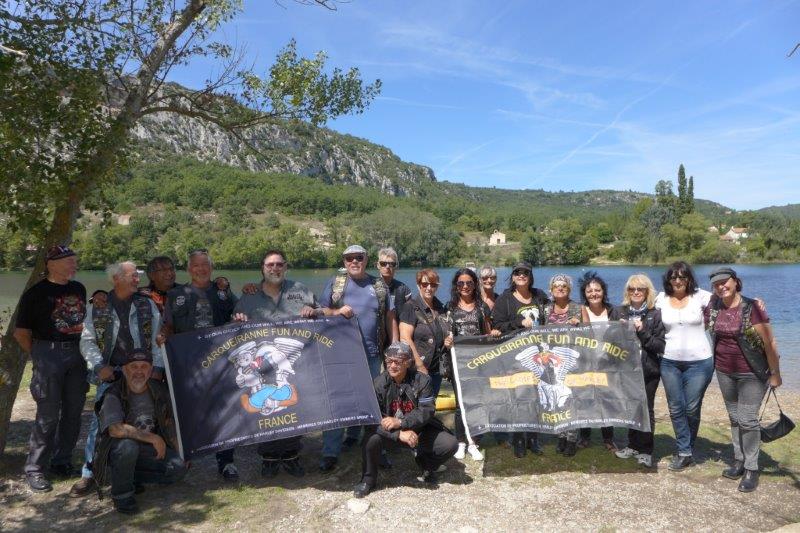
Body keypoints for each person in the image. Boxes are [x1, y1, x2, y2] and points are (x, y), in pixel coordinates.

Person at [71, 261, 163, 497]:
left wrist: (157, 367)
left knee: (143, 420)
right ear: (116, 279)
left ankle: (134, 472)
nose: (137, 280)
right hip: (112, 373)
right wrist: (99, 366)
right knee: (100, 423)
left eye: (138, 276)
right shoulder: (98, 306)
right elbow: (87, 341)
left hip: (141, 373)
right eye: (133, 276)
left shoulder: (146, 303)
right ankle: (89, 472)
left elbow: (157, 338)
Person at [232, 249, 320, 478]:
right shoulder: (249, 296)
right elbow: (233, 328)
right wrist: (237, 319)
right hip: (261, 365)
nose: (275, 268)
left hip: (292, 362)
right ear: (262, 269)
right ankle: (268, 458)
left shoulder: (300, 290)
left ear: (285, 267)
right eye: (270, 265)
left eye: (279, 264)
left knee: (292, 408)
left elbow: (322, 313)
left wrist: (314, 310)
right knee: (265, 412)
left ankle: (292, 456)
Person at [318, 244, 399, 472]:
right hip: (340, 355)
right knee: (338, 402)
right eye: (349, 258)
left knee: (373, 403)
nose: (354, 261)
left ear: (366, 259)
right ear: (344, 261)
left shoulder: (379, 286)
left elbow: (390, 317)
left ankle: (376, 448)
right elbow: (320, 311)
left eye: (359, 257)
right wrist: (336, 312)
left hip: (372, 356)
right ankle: (330, 452)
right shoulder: (336, 284)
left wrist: (394, 346)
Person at [14, 245, 88, 492]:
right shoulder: (35, 293)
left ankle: (62, 461)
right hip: (48, 354)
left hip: (77, 353)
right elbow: (21, 333)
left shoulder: (78, 288)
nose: (74, 265)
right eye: (69, 261)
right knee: (47, 414)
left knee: (73, 411)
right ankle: (35, 469)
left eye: (75, 260)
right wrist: (39, 355)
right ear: (52, 264)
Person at [160, 249, 239, 480]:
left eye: (205, 265)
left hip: (221, 363)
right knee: (189, 410)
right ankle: (186, 456)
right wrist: (163, 334)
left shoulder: (223, 292)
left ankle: (226, 461)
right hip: (189, 364)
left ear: (211, 268)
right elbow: (168, 325)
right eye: (195, 265)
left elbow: (240, 314)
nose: (201, 269)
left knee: (224, 410)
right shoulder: (175, 295)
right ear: (188, 269)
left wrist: (242, 308)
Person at [705, 267, 782, 492]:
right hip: (724, 371)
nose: (721, 287)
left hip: (752, 373)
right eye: (716, 284)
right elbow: (685, 299)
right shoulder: (713, 305)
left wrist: (775, 373)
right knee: (734, 418)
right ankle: (739, 460)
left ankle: (751, 468)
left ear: (736, 282)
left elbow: (769, 342)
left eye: (725, 282)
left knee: (747, 419)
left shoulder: (752, 307)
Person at [353, 342, 458, 498]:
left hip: (419, 430)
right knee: (370, 439)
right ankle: (368, 480)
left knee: (450, 444)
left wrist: (402, 422)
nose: (392, 365)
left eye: (397, 361)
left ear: (408, 362)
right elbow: (371, 420)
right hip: (390, 432)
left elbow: (427, 410)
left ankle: (426, 465)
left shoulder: (423, 380)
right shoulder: (378, 384)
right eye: (389, 361)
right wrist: (398, 434)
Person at [92, 348, 187, 514]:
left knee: (178, 468)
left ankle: (130, 477)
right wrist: (153, 438)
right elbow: (115, 429)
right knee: (128, 446)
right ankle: (122, 496)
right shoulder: (113, 393)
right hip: (119, 449)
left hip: (146, 450)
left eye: (144, 367)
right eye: (134, 366)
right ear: (124, 369)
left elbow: (169, 422)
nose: (139, 371)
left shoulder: (159, 389)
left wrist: (181, 452)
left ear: (150, 370)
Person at [655, 261, 713, 471]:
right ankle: (685, 451)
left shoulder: (701, 296)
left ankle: (687, 444)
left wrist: (755, 303)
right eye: (674, 277)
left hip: (700, 362)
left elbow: (730, 301)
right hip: (669, 361)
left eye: (682, 276)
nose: (678, 280)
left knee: (691, 407)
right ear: (668, 280)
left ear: (689, 278)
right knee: (675, 407)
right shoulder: (661, 299)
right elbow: (640, 311)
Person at [491, 261, 548, 458]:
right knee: (517, 398)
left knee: (536, 398)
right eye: (517, 273)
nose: (521, 275)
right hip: (514, 357)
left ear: (530, 276)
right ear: (513, 277)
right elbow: (498, 325)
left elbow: (551, 317)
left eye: (525, 273)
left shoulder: (540, 296)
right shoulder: (504, 299)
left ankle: (533, 438)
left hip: (538, 356)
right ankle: (518, 439)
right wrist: (519, 322)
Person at [442, 268, 498, 461]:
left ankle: (474, 442)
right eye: (461, 283)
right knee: (461, 404)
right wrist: (447, 341)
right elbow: (446, 334)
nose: (465, 286)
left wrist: (493, 335)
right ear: (456, 286)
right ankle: (460, 442)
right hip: (458, 364)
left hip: (479, 363)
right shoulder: (449, 308)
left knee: (478, 403)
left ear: (475, 285)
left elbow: (488, 333)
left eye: (469, 283)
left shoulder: (482, 307)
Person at [613, 274, 665, 468]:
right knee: (631, 408)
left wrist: (642, 330)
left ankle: (646, 450)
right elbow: (608, 340)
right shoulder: (619, 312)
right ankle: (633, 445)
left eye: (640, 289)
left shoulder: (655, 314)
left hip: (648, 369)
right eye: (631, 289)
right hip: (625, 370)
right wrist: (617, 331)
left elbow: (659, 345)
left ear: (647, 291)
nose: (635, 292)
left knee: (645, 408)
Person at [543, 274, 583, 456]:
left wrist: (578, 325)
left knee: (571, 400)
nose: (560, 288)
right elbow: (539, 332)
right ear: (551, 290)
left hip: (571, 362)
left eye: (564, 286)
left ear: (569, 289)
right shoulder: (546, 309)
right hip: (552, 363)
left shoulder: (577, 308)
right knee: (556, 400)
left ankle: (572, 439)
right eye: (556, 286)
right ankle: (560, 436)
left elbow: (588, 333)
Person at [578, 271, 618, 450]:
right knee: (584, 399)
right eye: (589, 291)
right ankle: (584, 437)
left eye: (597, 290)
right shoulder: (579, 311)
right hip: (584, 363)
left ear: (603, 291)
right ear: (584, 294)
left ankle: (608, 439)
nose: (594, 294)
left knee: (606, 401)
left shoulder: (613, 311)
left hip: (607, 363)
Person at [400, 269, 448, 397]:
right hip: (417, 369)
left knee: (431, 404)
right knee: (417, 404)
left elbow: (442, 332)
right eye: (425, 284)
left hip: (436, 369)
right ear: (418, 285)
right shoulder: (410, 306)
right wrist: (419, 365)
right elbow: (405, 338)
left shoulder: (440, 307)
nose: (429, 288)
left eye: (433, 285)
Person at [377, 247, 412, 321]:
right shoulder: (369, 287)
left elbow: (410, 316)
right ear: (378, 265)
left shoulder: (404, 290)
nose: (387, 267)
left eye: (391, 264)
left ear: (396, 266)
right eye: (383, 264)